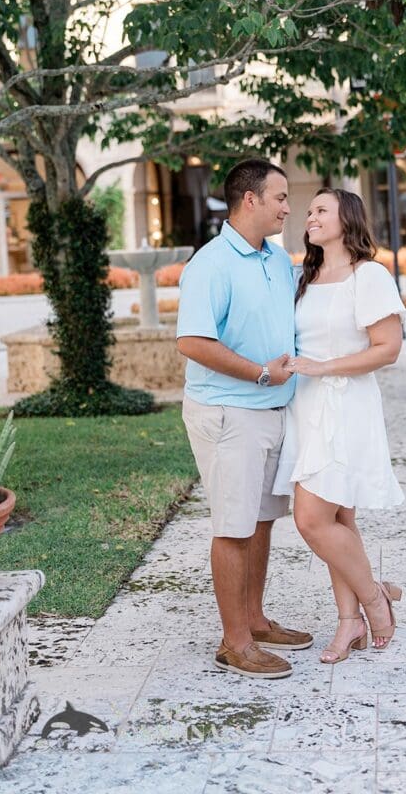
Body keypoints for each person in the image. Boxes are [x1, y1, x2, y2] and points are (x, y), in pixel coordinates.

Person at [176, 158, 313, 680]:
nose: (287, 206)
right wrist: (259, 373)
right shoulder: (210, 264)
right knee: (233, 527)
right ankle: (234, 642)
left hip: (272, 410)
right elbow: (192, 341)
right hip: (229, 412)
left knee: (259, 521)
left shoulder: (277, 260)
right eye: (279, 197)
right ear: (249, 199)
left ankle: (254, 621)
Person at [273, 188, 405, 664]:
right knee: (338, 520)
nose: (309, 217)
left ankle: (373, 600)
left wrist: (323, 368)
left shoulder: (368, 275)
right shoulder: (304, 276)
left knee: (311, 519)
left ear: (348, 219)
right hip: (306, 409)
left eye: (320, 210)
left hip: (346, 406)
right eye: (308, 212)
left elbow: (388, 348)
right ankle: (349, 621)